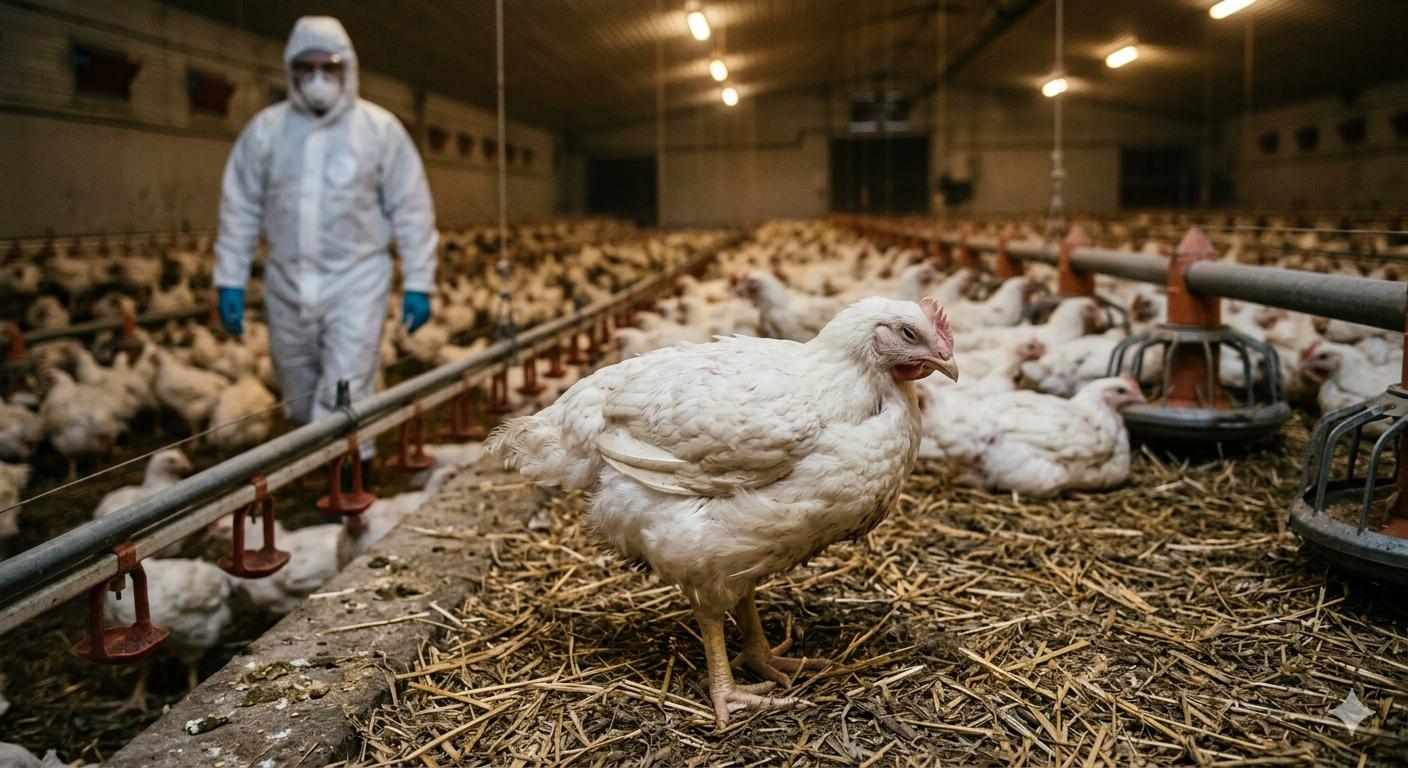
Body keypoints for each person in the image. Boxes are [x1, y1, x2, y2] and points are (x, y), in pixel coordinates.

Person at [212, 16, 436, 458]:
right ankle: (319, 471)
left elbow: (411, 207)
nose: (318, 78)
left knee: (346, 390)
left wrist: (420, 281)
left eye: (329, 67)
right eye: (306, 67)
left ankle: (354, 479)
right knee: (297, 391)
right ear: (291, 70)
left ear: (347, 69)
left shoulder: (378, 129)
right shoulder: (266, 131)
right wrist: (229, 278)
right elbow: (240, 207)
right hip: (286, 281)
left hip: (356, 280)